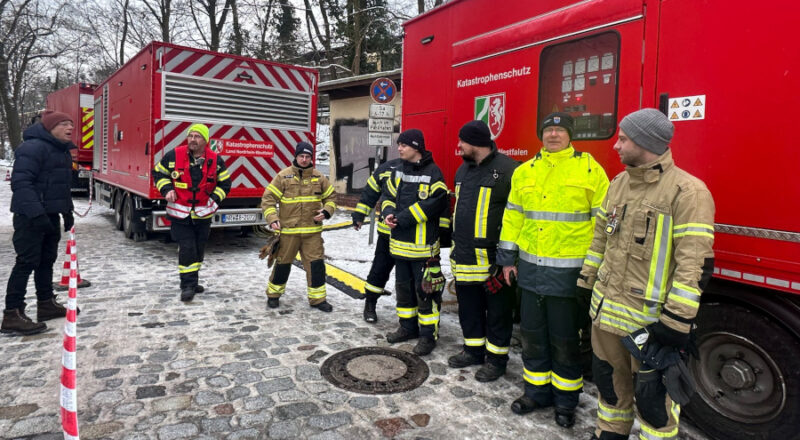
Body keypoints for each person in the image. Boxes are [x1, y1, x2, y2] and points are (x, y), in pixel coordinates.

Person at [579, 109, 715, 440]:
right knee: (610, 387)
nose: (616, 146)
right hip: (606, 316)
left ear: (646, 142)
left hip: (650, 327)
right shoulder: (618, 184)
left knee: (655, 403)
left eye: (623, 139)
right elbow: (601, 238)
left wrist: (677, 320)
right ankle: (610, 432)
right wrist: (586, 281)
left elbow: (694, 263)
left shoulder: (688, 193)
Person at [498, 112, 609, 427]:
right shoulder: (524, 172)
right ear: (541, 135)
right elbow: (513, 218)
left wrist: (595, 269)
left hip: (569, 277)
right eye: (549, 130)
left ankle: (565, 402)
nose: (554, 135)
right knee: (532, 338)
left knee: (565, 341)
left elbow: (603, 227)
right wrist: (506, 259)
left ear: (571, 135)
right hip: (530, 273)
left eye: (560, 130)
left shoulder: (590, 170)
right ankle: (536, 393)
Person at [447, 120, 518, 382]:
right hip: (464, 258)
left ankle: (497, 361)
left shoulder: (510, 170)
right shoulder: (462, 171)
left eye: (461, 141)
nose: (458, 146)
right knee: (469, 308)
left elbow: (517, 217)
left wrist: (509, 257)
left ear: (475, 142)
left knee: (498, 314)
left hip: (493, 261)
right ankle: (472, 350)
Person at [2, 111, 78, 335]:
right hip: (30, 217)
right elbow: (21, 182)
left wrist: (68, 211)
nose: (69, 128)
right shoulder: (33, 148)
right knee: (26, 262)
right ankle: (12, 314)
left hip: (50, 215)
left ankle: (46, 303)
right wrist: (36, 214)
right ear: (50, 127)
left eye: (71, 125)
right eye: (64, 124)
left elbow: (60, 187)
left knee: (47, 261)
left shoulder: (61, 151)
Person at [381, 129, 449, 356]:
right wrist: (388, 213)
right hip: (400, 247)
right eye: (398, 144)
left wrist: (402, 218)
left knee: (426, 294)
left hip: (423, 251)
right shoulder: (397, 171)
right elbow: (387, 196)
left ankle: (428, 336)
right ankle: (407, 328)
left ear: (417, 147)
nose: (399, 148)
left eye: (403, 145)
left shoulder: (433, 173)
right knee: (404, 292)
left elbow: (436, 203)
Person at [153, 123, 231, 302]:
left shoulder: (216, 160)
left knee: (198, 249)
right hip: (180, 214)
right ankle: (187, 286)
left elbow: (225, 183)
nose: (193, 139)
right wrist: (166, 190)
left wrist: (214, 200)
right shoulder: (174, 155)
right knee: (187, 248)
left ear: (205, 140)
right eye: (191, 136)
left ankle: (193, 280)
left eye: (197, 136)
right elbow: (158, 173)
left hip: (203, 215)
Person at [261, 142, 336, 312]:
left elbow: (331, 197)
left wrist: (326, 211)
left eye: (307, 157)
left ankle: (318, 300)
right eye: (301, 156)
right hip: (289, 233)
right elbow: (268, 199)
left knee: (316, 266)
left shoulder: (319, 177)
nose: (304, 159)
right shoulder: (283, 176)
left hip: (312, 233)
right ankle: (273, 295)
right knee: (282, 264)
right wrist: (272, 218)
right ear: (295, 157)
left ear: (311, 158)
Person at [352, 157, 402, 323]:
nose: (402, 148)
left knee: (408, 278)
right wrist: (359, 215)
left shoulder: (424, 170)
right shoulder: (387, 168)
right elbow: (370, 193)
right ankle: (370, 304)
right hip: (387, 234)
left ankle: (410, 317)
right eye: (401, 145)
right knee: (379, 271)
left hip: (412, 236)